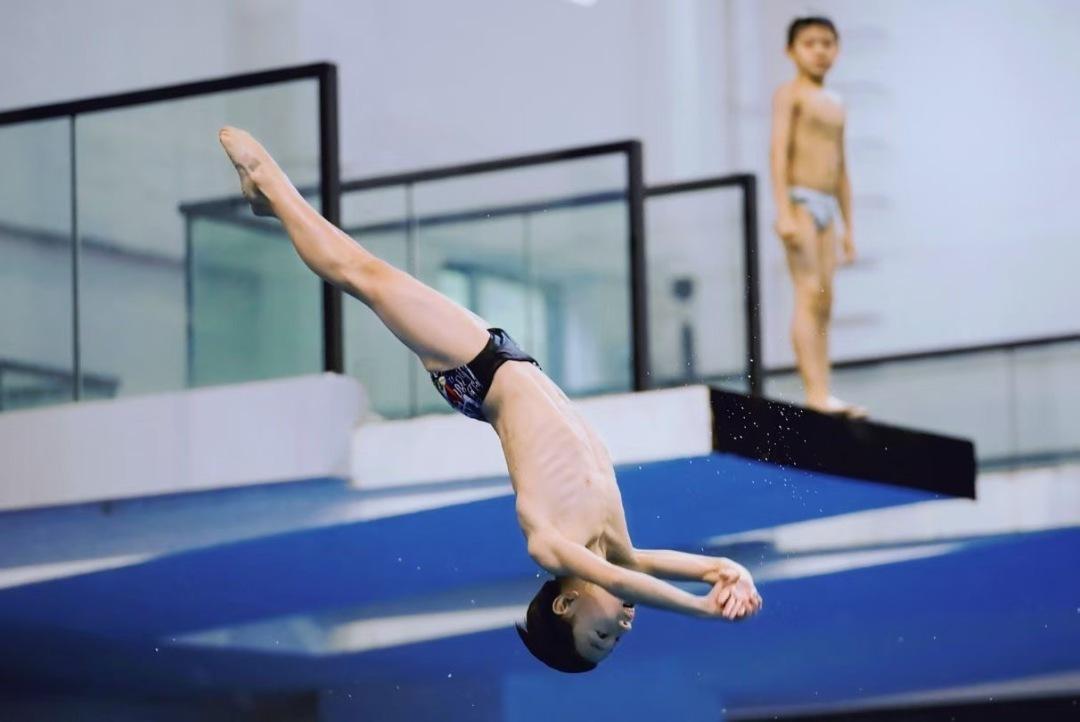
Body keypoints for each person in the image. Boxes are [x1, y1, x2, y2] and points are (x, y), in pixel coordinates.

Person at [218, 127, 763, 674]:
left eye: (600, 635)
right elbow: (640, 566)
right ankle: (270, 200)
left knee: (366, 276)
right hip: (504, 361)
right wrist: (722, 570)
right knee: (370, 277)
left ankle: (271, 188)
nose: (621, 628)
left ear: (565, 604)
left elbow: (624, 581)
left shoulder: (550, 545)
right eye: (615, 640)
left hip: (477, 374)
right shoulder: (613, 547)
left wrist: (701, 610)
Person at [770, 16, 866, 418]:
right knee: (808, 292)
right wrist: (784, 211)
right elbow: (778, 153)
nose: (819, 51)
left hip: (828, 205)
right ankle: (814, 393)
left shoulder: (837, 103)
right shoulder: (790, 95)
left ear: (837, 49)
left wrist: (849, 227)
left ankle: (824, 390)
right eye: (810, 43)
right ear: (791, 50)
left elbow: (841, 168)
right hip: (802, 202)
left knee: (826, 299)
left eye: (827, 43)